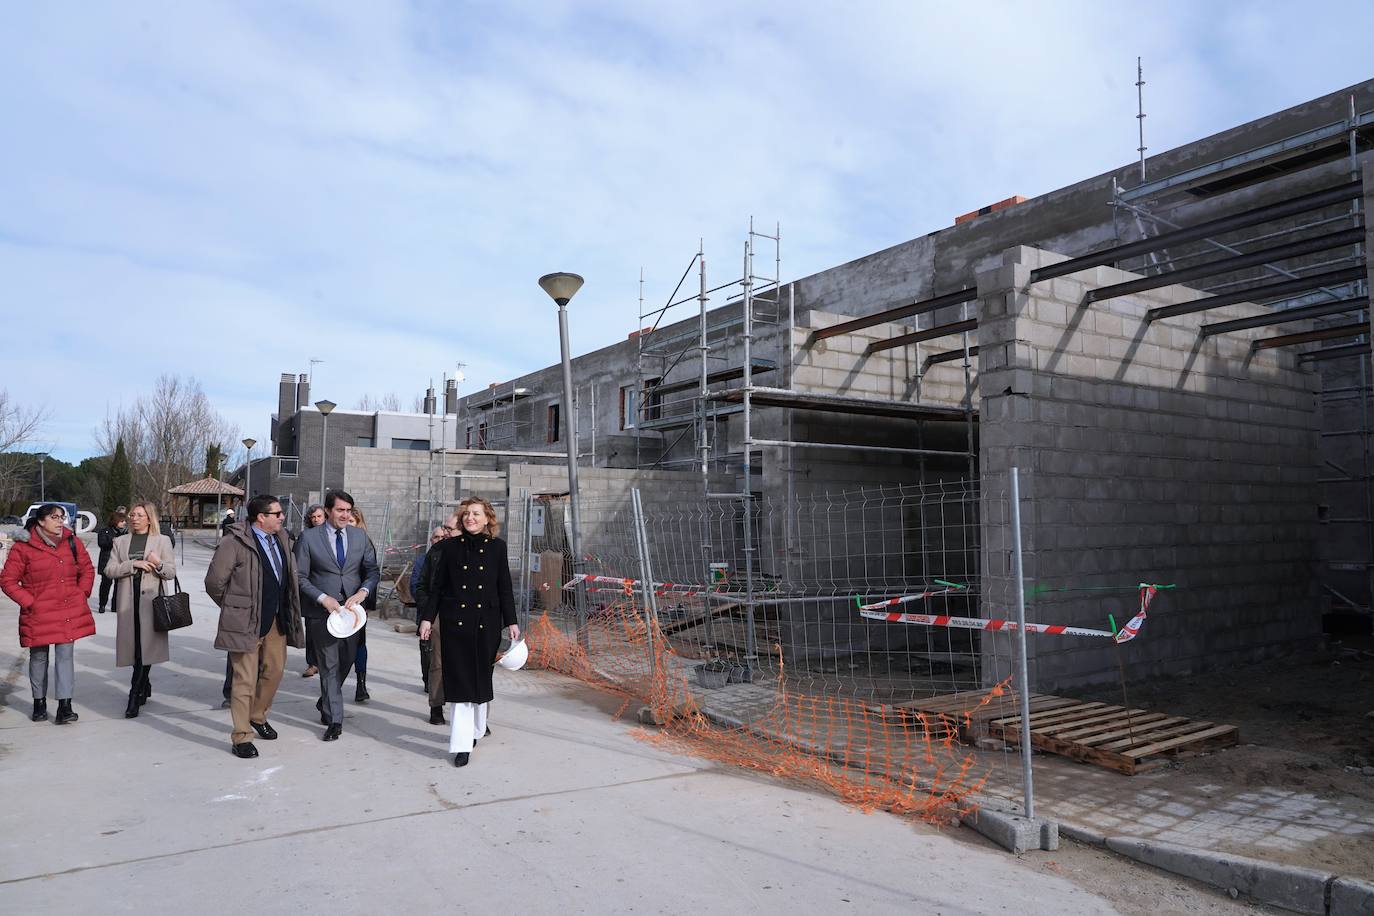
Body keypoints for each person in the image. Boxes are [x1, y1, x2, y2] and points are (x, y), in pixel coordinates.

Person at [418, 497, 518, 768]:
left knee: (481, 680)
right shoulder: (449, 547)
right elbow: (437, 587)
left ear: (488, 519)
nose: (470, 518)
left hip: (486, 624)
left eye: (476, 514)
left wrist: (512, 622)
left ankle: (476, 729)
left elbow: (504, 588)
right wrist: (427, 619)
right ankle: (462, 744)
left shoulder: (498, 548)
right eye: (466, 514)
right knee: (461, 683)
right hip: (456, 623)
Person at [205, 494, 305, 759]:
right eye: (277, 513)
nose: (282, 517)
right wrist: (235, 608)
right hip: (245, 623)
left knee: (275, 671)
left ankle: (257, 716)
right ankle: (241, 736)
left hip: (276, 620)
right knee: (244, 680)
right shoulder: (233, 543)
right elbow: (214, 583)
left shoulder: (282, 539)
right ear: (261, 517)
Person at [294, 490, 378, 742]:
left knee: (348, 660)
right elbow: (299, 576)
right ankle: (335, 720)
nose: (345, 515)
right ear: (329, 510)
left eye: (348, 510)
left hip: (352, 614)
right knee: (329, 664)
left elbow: (372, 570)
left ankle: (326, 701)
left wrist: (363, 592)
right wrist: (323, 598)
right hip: (322, 613)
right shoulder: (308, 538)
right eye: (340, 510)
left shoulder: (359, 536)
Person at [1, 504, 96, 724]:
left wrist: (81, 593)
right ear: (41, 521)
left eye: (62, 517)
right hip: (38, 612)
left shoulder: (72, 541)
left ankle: (65, 706)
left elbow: (87, 569)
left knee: (65, 658)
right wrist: (29, 602)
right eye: (55, 517)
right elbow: (7, 580)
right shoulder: (23, 547)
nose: (60, 521)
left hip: (67, 610)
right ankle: (39, 704)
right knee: (39, 658)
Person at [106, 501, 178, 718]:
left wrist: (157, 563)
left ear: (149, 518)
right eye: (132, 515)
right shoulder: (120, 541)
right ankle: (144, 684)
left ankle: (134, 695)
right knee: (135, 647)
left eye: (139, 515)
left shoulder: (162, 540)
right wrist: (132, 565)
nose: (134, 518)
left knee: (144, 647)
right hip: (129, 601)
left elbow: (170, 572)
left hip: (152, 601)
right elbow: (109, 570)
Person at [409, 525, 447, 722]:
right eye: (436, 536)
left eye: (444, 535)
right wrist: (429, 611)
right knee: (434, 660)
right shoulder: (427, 558)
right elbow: (418, 587)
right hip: (433, 615)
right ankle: (436, 705)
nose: (440, 539)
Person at [345, 506, 378, 703]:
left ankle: (361, 683)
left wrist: (363, 598)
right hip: (337, 602)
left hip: (357, 603)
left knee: (359, 643)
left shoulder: (365, 544)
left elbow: (371, 574)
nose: (348, 525)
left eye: (352, 522)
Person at [299, 504, 325, 678]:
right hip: (311, 591)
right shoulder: (306, 537)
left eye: (319, 516)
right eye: (313, 517)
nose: (316, 519)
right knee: (312, 630)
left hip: (331, 592)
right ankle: (313, 663)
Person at [95, 510, 127, 613]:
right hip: (107, 561)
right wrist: (113, 541)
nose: (124, 523)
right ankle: (102, 604)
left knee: (119, 586)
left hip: (120, 562)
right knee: (105, 584)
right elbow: (102, 543)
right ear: (115, 521)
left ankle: (115, 606)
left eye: (124, 521)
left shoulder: (126, 533)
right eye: (122, 521)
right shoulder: (105, 531)